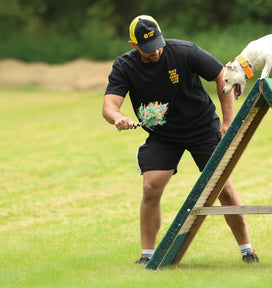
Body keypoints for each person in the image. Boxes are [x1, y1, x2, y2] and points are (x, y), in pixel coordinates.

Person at [102, 15, 259, 265]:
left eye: (157, 45)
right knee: (151, 187)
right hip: (163, 134)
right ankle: (148, 256)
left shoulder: (185, 51)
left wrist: (227, 121)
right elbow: (109, 105)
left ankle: (247, 250)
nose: (156, 52)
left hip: (202, 127)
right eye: (148, 49)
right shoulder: (124, 66)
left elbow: (222, 76)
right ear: (134, 46)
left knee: (223, 188)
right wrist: (118, 117)